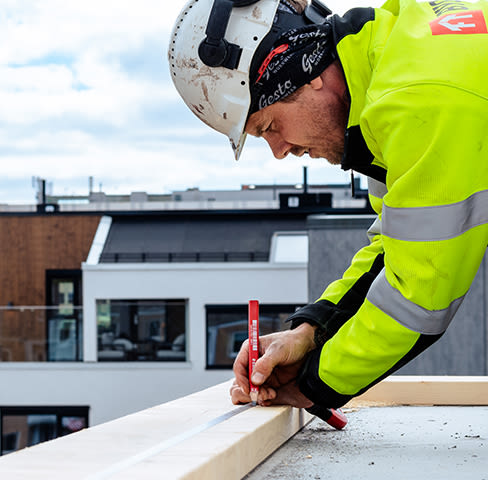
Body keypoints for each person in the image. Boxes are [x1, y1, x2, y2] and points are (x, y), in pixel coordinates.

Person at [169, 0, 488, 410]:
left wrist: (309, 386)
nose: (280, 151)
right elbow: (398, 250)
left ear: (305, 72)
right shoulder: (392, 67)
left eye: (268, 126)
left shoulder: (417, 103)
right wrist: (307, 333)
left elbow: (418, 297)